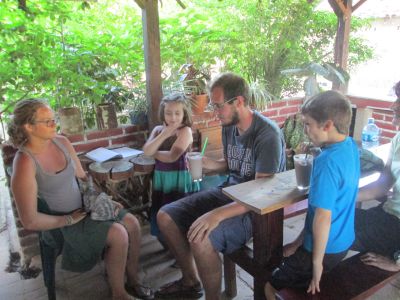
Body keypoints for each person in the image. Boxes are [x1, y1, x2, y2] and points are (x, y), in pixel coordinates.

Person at [156, 72, 286, 299]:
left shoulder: (267, 135)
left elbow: (262, 191)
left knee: (201, 237)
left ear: (239, 102)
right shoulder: (229, 125)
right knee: (166, 216)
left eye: (218, 106)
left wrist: (216, 215)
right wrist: (210, 165)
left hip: (258, 210)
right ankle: (191, 280)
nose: (214, 113)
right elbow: (232, 165)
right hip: (229, 192)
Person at [8, 99, 154, 300]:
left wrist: (103, 200)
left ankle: (132, 279)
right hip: (60, 223)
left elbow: (83, 179)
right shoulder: (25, 162)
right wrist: (68, 219)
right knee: (119, 233)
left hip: (85, 207)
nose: (54, 125)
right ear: (29, 127)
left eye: (54, 119)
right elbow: (30, 220)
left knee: (133, 223)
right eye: (47, 121)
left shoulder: (62, 142)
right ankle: (119, 294)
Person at [265, 90, 360, 299]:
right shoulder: (350, 146)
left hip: (323, 250)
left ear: (327, 125)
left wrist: (316, 264)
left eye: (308, 124)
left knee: (269, 286)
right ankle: (301, 252)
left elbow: (323, 217)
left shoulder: (327, 163)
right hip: (343, 242)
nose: (305, 130)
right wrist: (299, 242)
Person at [350, 80, 400, 272]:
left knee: (330, 231)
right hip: (388, 216)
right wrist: (346, 197)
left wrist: (397, 263)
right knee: (327, 216)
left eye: (399, 100)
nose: (393, 106)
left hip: (396, 233)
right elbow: (383, 184)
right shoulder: (398, 139)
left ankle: (283, 279)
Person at [142, 93, 200, 247]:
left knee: (179, 214)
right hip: (162, 179)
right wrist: (165, 134)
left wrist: (152, 153)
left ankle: (184, 249)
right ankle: (169, 244)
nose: (172, 118)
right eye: (168, 113)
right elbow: (146, 150)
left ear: (184, 114)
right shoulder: (157, 129)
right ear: (163, 113)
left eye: (177, 113)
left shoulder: (185, 131)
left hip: (181, 179)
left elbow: (172, 156)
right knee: (162, 210)